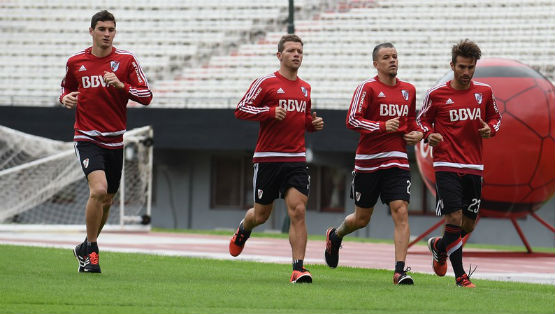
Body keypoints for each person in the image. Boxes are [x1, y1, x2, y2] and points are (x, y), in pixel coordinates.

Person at [60, 10, 153, 273]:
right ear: (91, 31)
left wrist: (122, 86)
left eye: (111, 29)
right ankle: (92, 251)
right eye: (102, 29)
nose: (107, 34)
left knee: (108, 199)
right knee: (98, 191)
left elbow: (147, 95)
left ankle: (85, 247)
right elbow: (66, 88)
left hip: (115, 140)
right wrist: (64, 99)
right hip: (87, 137)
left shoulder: (126, 61)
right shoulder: (76, 61)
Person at [324, 43, 422, 285]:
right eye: (386, 57)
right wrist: (381, 126)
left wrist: (418, 134)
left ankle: (400, 271)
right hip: (368, 163)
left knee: (400, 210)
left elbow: (410, 122)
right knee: (361, 218)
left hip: (397, 161)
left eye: (395, 56)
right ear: (376, 64)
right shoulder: (367, 88)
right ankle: (335, 236)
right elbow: (352, 120)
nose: (392, 61)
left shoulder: (409, 90)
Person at [230, 34, 324, 283]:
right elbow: (241, 110)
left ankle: (298, 268)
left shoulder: (305, 88)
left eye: (300, 51)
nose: (296, 55)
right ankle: (243, 229)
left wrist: (312, 124)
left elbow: (302, 119)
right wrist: (269, 111)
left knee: (299, 210)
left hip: (295, 158)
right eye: (292, 50)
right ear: (279, 55)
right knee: (261, 215)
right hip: (268, 159)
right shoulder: (266, 83)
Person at [417, 39, 501, 287]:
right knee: (453, 217)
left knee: (468, 223)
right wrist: (427, 134)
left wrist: (491, 129)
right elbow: (421, 121)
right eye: (462, 67)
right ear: (452, 65)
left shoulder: (484, 92)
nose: (466, 72)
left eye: (470, 67)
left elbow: (496, 118)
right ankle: (461, 277)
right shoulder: (436, 94)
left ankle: (439, 246)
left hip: (474, 166)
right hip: (446, 165)